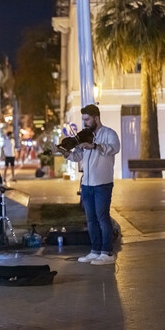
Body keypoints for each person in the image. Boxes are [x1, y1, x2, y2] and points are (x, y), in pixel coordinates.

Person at [53, 104, 120, 265]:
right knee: (90, 219)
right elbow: (77, 157)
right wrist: (64, 152)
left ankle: (107, 252)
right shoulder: (84, 136)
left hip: (102, 183)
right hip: (87, 184)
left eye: (87, 119)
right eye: (83, 119)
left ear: (96, 118)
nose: (84, 123)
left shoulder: (109, 133)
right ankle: (95, 251)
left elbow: (114, 148)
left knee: (102, 217)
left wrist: (95, 146)